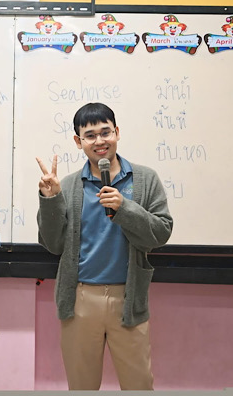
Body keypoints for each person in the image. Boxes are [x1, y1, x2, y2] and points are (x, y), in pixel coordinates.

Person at [36, 102, 173, 390]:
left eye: (105, 132)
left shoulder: (144, 179)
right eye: (90, 135)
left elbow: (161, 232)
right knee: (81, 386)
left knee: (139, 385)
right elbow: (53, 244)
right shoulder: (69, 185)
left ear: (117, 132)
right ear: (78, 141)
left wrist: (125, 209)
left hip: (129, 299)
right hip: (80, 300)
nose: (99, 141)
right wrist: (50, 200)